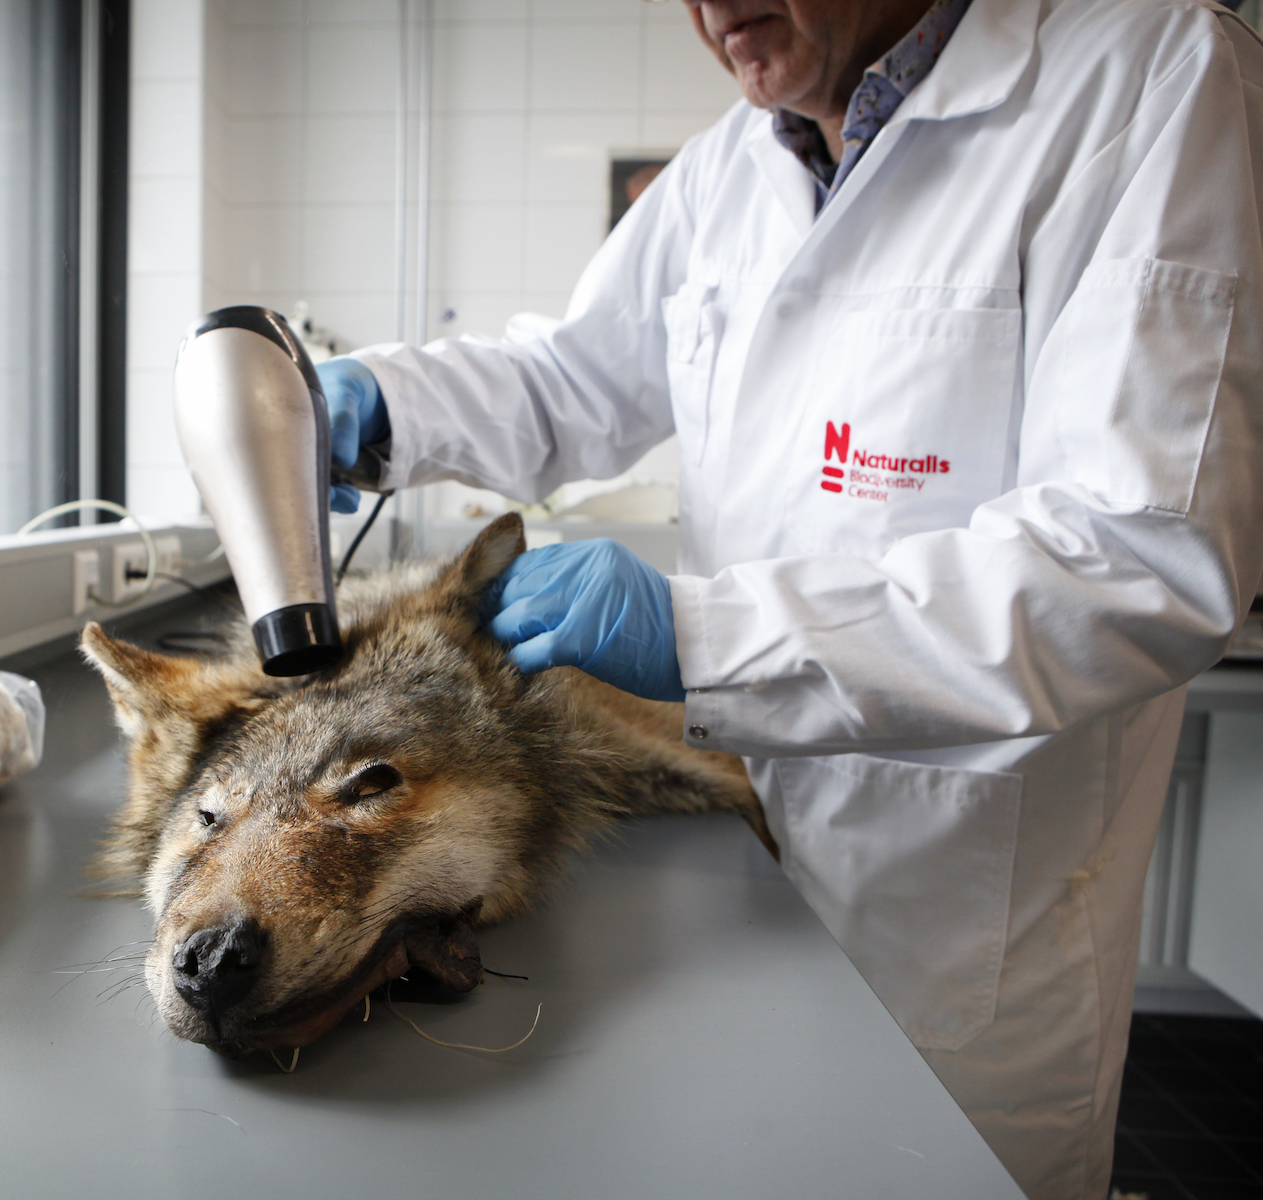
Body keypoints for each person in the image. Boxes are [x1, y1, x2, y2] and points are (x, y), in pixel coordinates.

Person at [313, 0, 1263, 1196]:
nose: (710, 10)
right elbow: (573, 378)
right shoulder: (732, 164)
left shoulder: (1149, 75)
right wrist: (383, 406)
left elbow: (1141, 556)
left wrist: (705, 635)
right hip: (741, 874)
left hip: (958, 926)